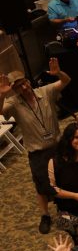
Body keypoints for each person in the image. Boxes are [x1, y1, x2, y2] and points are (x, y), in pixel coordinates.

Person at [0, 61, 70, 233]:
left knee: (64, 178)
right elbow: (0, 111)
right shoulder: (13, 102)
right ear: (14, 89)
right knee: (41, 185)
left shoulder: (45, 91)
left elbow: (66, 81)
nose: (23, 87)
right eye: (18, 87)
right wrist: (1, 94)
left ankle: (65, 208)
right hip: (37, 151)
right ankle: (45, 215)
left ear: (28, 81)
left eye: (24, 83)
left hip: (56, 146)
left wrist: (59, 73)